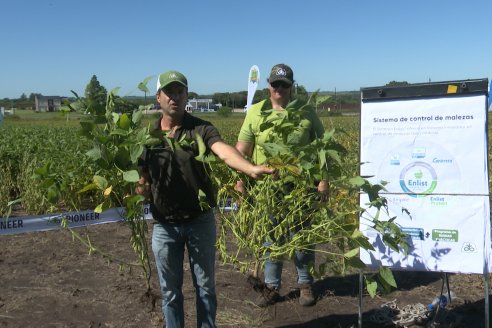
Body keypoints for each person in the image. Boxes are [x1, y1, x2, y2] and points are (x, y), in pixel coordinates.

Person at [136, 70, 273, 328]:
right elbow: (142, 178)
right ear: (158, 97)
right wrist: (140, 189)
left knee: (206, 288)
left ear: (187, 95)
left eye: (180, 91)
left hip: (200, 222)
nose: (174, 97)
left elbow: (223, 152)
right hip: (164, 225)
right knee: (170, 293)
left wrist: (249, 168)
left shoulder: (201, 128)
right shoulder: (146, 137)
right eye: (169, 92)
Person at [235, 63, 329, 307]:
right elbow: (243, 150)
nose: (280, 89)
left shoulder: (305, 111)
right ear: (268, 85)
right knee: (271, 236)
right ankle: (272, 287)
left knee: (302, 236)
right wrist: (239, 180)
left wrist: (324, 181)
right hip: (267, 188)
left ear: (291, 86)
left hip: (301, 186)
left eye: (284, 85)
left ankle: (305, 284)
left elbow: (322, 148)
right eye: (275, 84)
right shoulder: (256, 112)